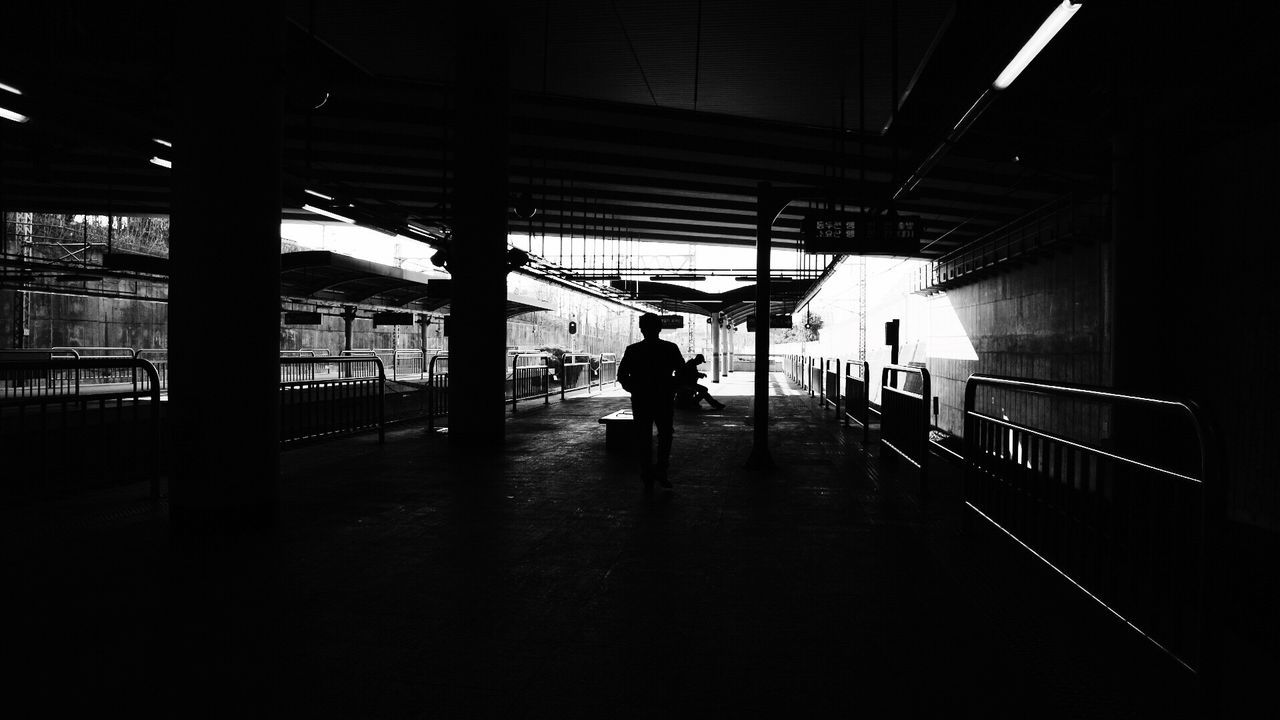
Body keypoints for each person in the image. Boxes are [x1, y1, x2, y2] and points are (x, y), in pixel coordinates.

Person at [617, 313, 685, 490]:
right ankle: (661, 470)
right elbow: (682, 372)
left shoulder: (633, 350)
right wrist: (672, 388)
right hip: (664, 398)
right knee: (665, 434)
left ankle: (646, 473)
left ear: (641, 329)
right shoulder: (670, 348)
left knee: (643, 436)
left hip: (641, 400)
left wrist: (634, 389)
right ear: (660, 328)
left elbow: (622, 375)